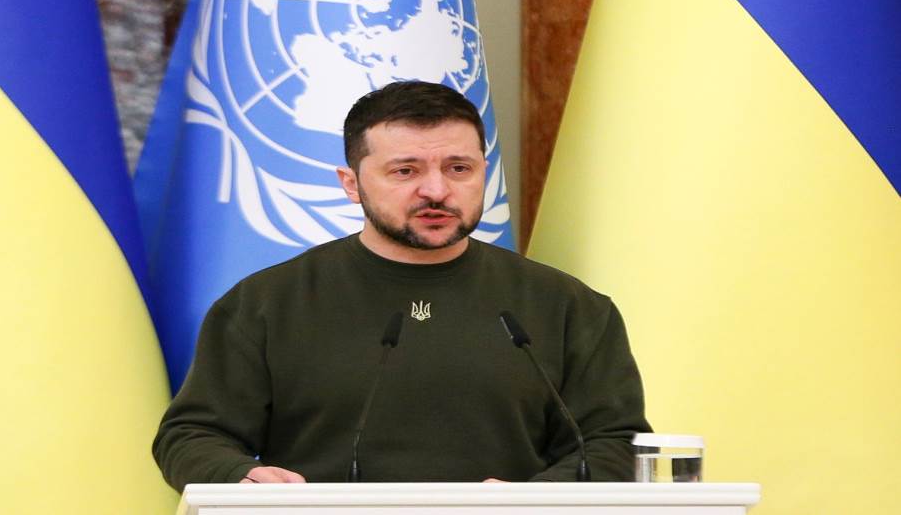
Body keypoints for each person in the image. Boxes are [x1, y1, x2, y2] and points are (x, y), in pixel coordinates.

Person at [153, 81, 651, 490]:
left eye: (459, 168)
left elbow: (615, 443)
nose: (436, 190)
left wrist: (536, 498)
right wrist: (238, 475)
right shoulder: (266, 303)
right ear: (351, 183)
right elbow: (192, 435)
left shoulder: (567, 306)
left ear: (485, 173)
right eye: (405, 170)